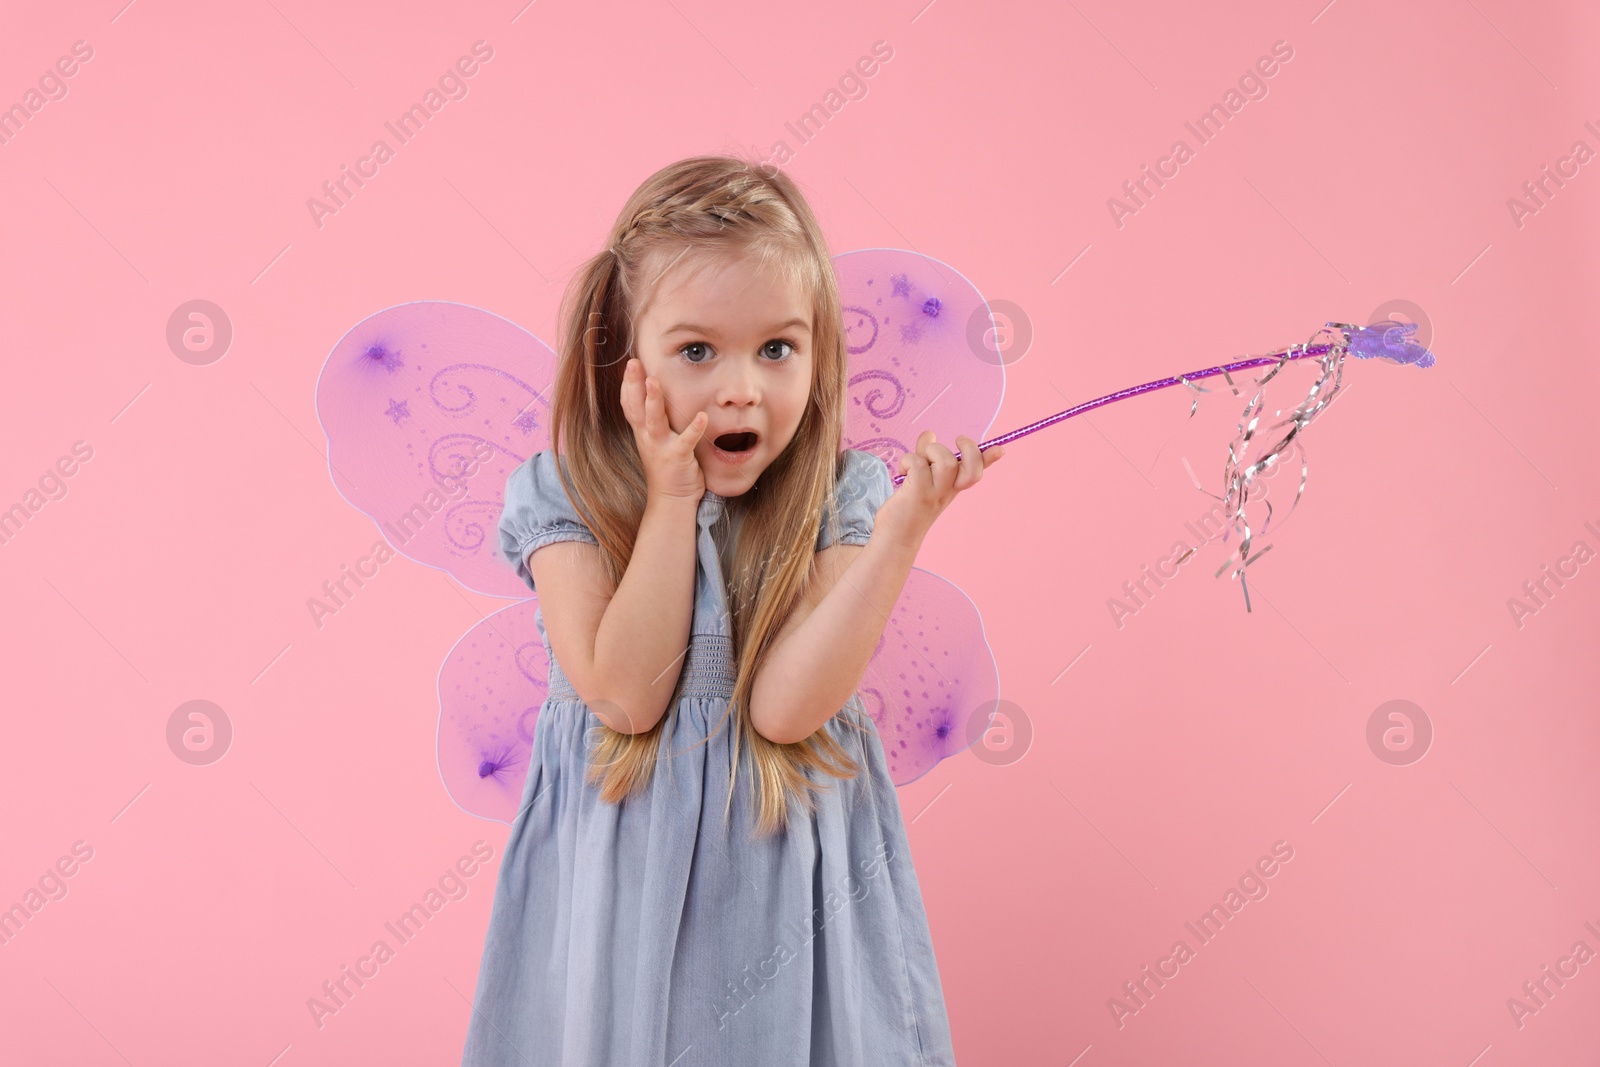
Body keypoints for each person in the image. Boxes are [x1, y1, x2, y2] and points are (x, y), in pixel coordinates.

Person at [460, 155, 1004, 1066]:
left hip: (788, 888)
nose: (741, 387)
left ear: (819, 355)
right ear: (624, 362)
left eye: (777, 349)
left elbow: (786, 710)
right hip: (622, 896)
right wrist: (671, 503)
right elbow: (627, 698)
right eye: (697, 351)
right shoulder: (568, 497)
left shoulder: (839, 496)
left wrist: (900, 537)